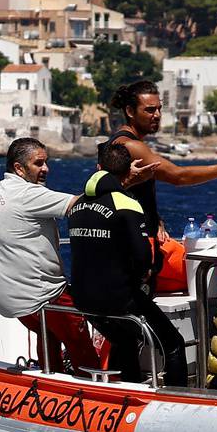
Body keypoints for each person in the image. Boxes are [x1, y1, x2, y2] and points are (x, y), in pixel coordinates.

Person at [68, 141, 191, 387]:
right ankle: (179, 398)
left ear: (98, 168)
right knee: (173, 344)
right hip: (118, 299)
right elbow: (144, 257)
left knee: (124, 340)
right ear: (129, 171)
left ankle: (127, 389)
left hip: (83, 299)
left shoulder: (77, 204)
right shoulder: (127, 203)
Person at [0, 138, 104, 373]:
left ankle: (51, 374)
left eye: (46, 162)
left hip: (4, 295)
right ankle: (93, 384)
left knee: (46, 329)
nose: (46, 169)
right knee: (78, 338)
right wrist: (121, 182)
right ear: (19, 168)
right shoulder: (28, 194)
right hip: (38, 295)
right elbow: (83, 205)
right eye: (39, 163)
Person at [104, 80, 217, 293]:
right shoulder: (131, 146)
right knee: (214, 275)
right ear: (130, 111)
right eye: (149, 110)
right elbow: (179, 176)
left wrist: (155, 218)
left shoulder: (115, 143)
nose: (157, 115)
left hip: (133, 242)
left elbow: (124, 191)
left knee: (202, 269)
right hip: (139, 248)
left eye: (159, 109)